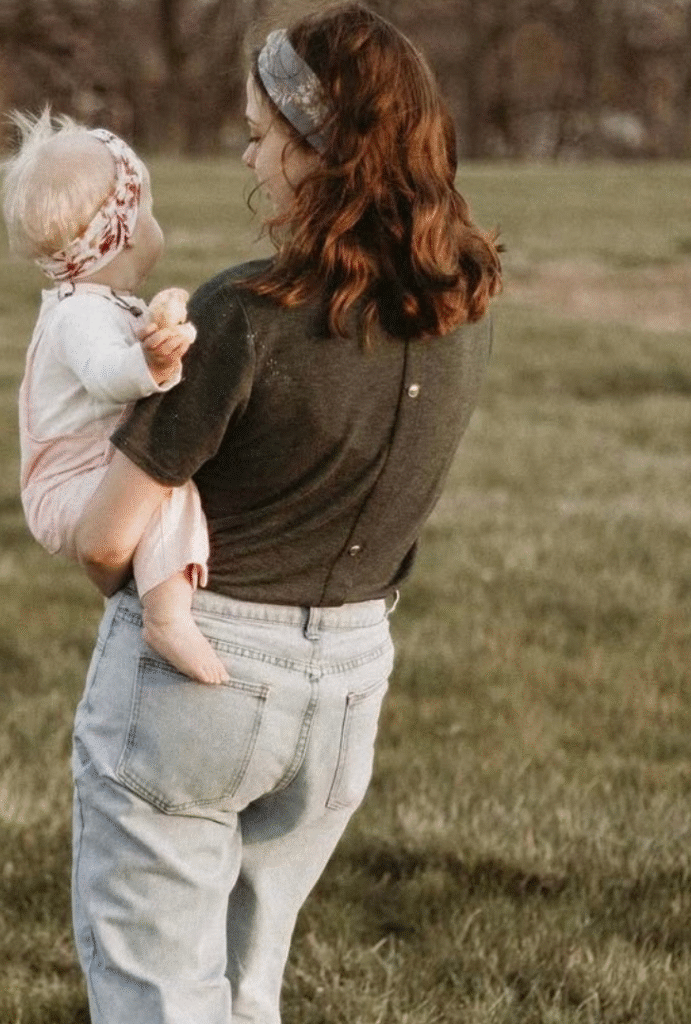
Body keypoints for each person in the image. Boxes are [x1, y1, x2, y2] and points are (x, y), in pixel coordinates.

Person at [68, 4, 503, 1023]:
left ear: (325, 152)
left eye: (264, 136)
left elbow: (104, 538)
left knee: (161, 998)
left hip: (198, 688)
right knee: (244, 988)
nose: (251, 157)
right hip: (348, 689)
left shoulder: (242, 316)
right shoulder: (460, 306)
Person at [0, 110, 228, 684]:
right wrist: (151, 362)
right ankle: (167, 615)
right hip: (68, 481)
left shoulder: (97, 304)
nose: (156, 219)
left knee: (160, 483)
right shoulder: (78, 315)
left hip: (81, 471)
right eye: (147, 208)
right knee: (164, 484)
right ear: (121, 230)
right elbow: (106, 374)